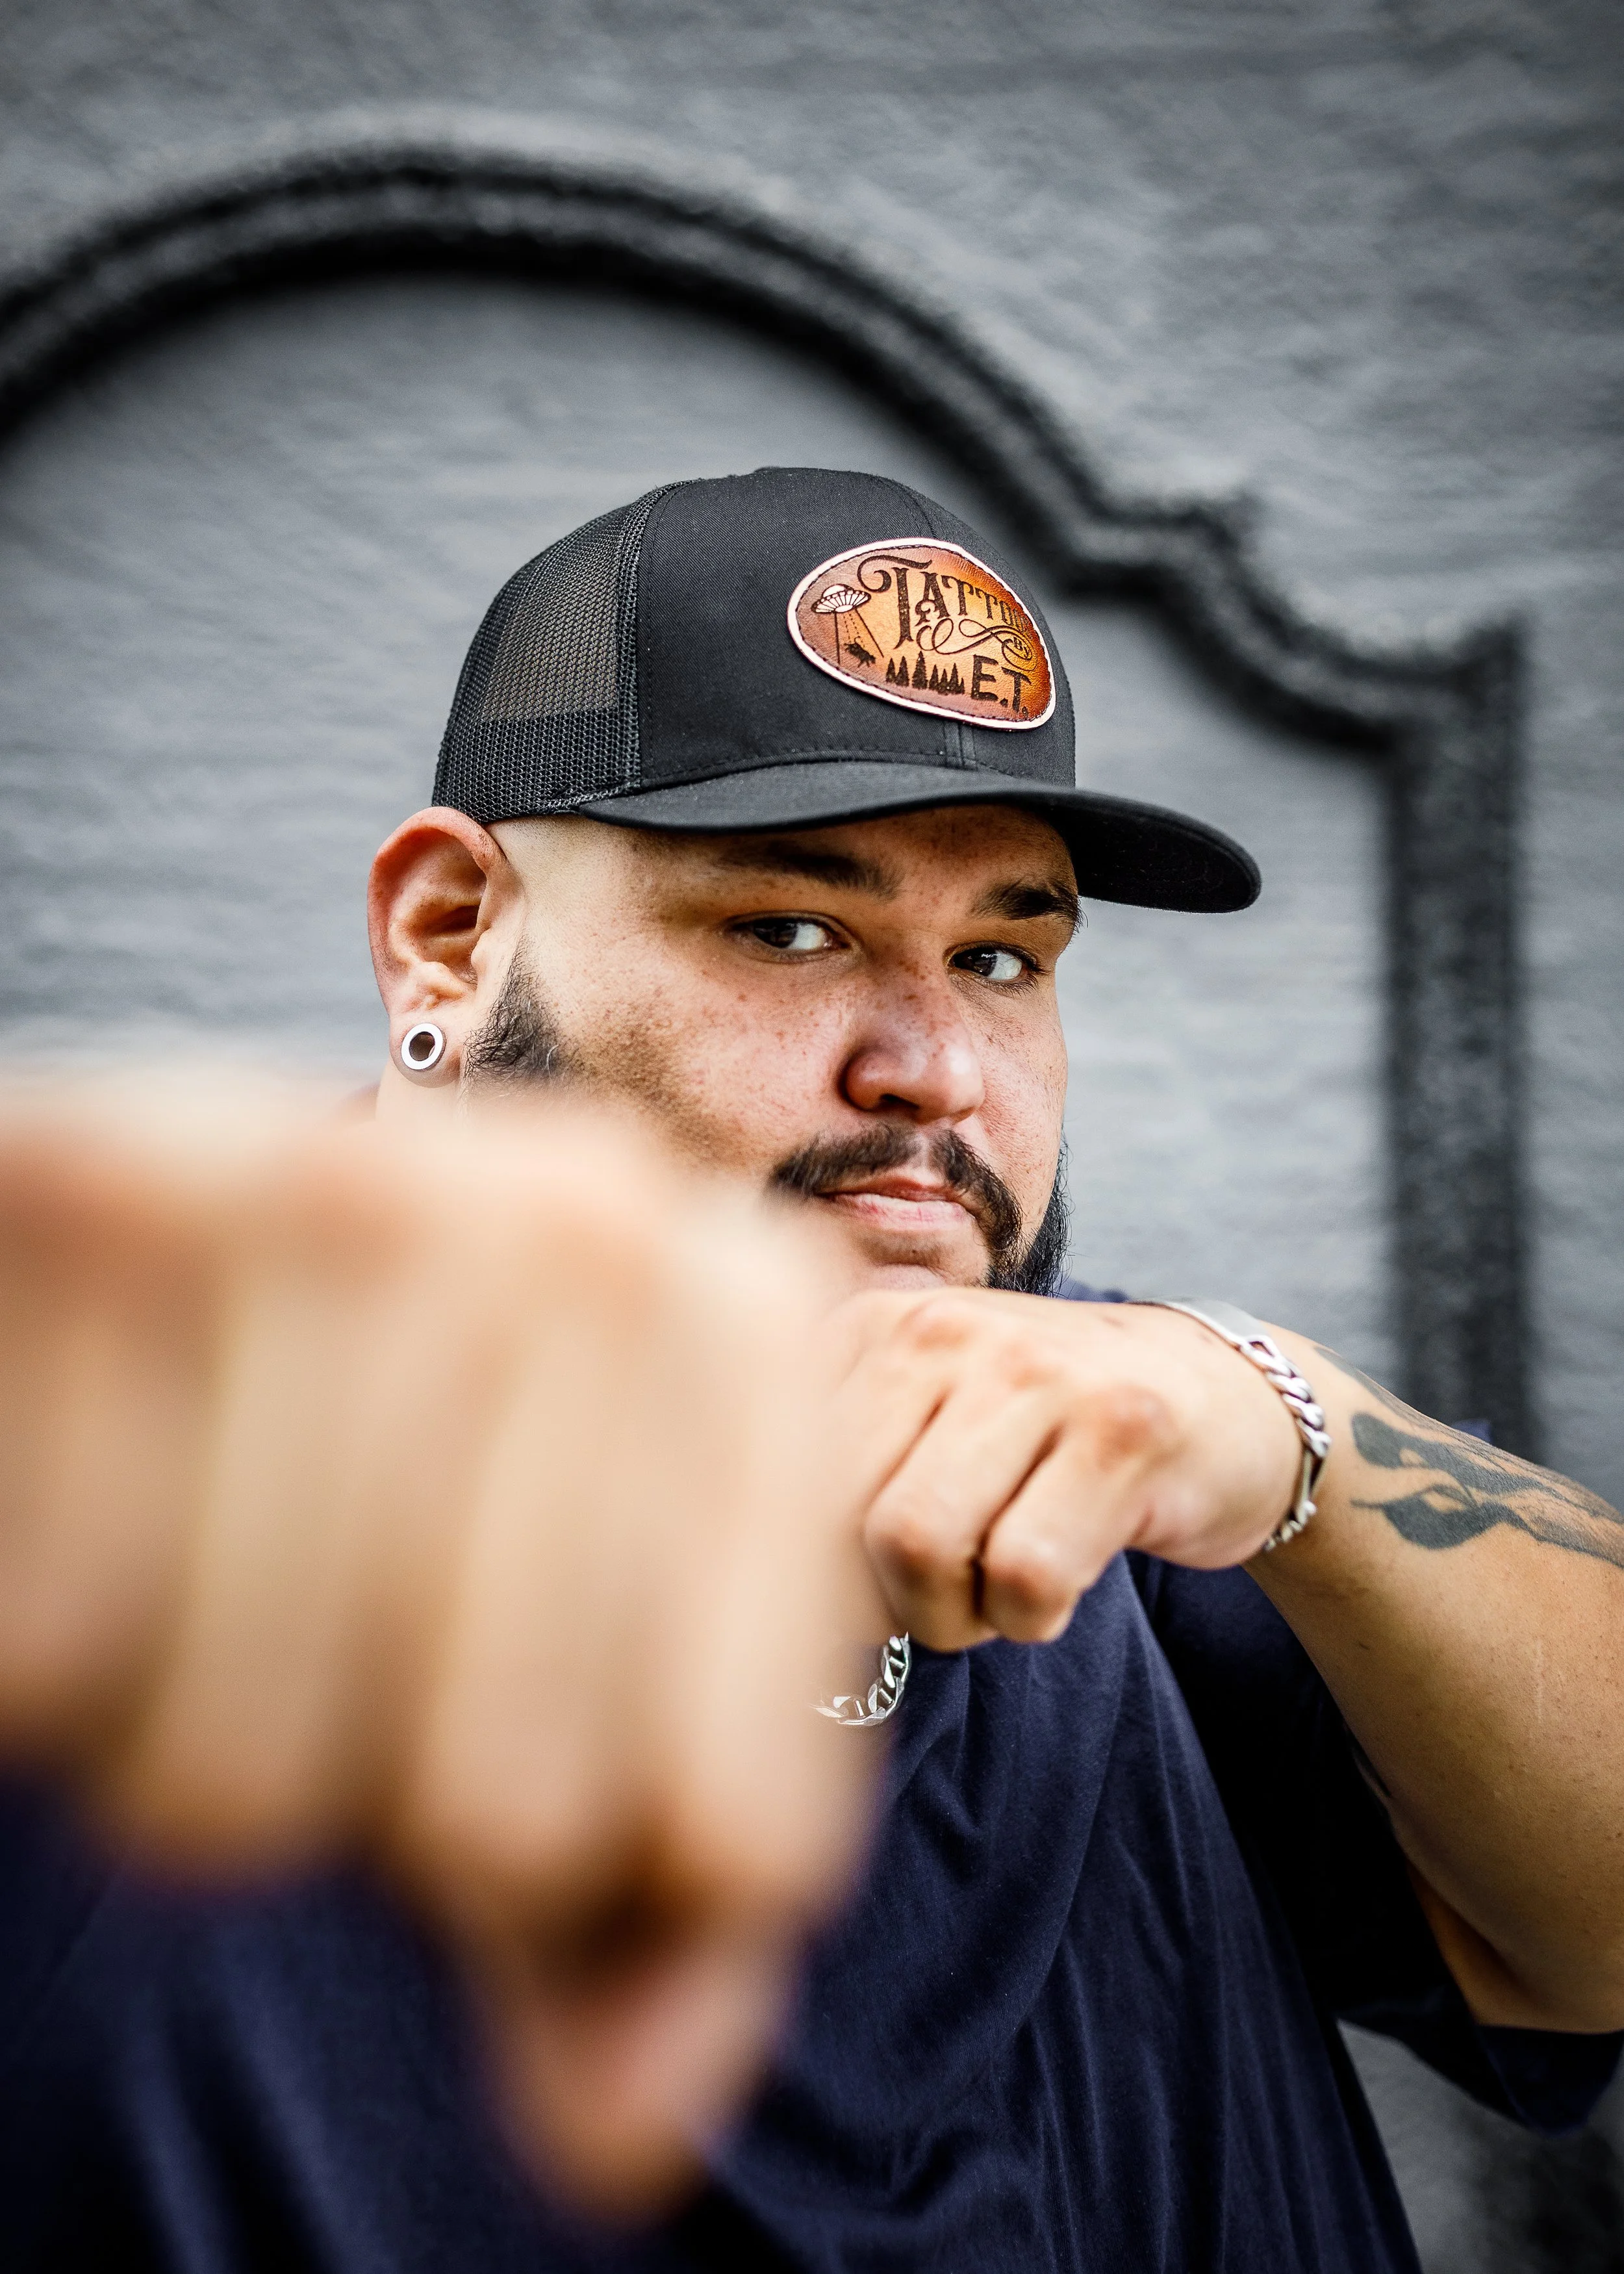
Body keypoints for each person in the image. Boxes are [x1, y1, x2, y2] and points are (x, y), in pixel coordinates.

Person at [1, 466, 1619, 2272]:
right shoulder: (129, 1500)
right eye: (790, 927)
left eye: (1004, 953)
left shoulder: (1132, 1468)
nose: (935, 1066)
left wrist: (1288, 1428)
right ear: (446, 931)